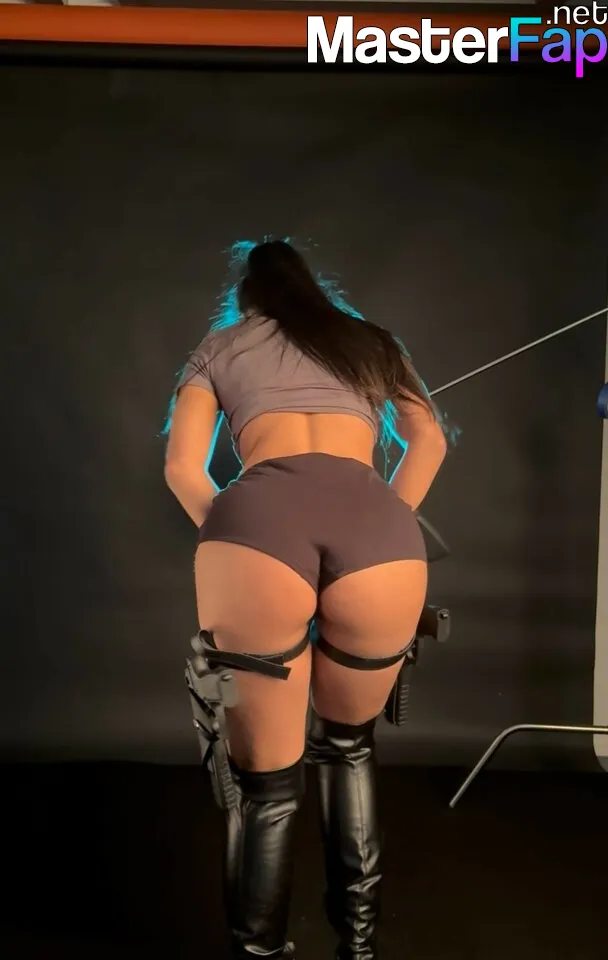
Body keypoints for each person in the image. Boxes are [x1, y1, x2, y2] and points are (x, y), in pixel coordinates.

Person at [164, 240, 449, 960]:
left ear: (248, 296)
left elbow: (183, 467)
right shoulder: (369, 341)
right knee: (349, 748)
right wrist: (385, 518)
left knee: (265, 789)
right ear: (314, 289)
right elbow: (428, 440)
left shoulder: (220, 345)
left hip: (256, 529)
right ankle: (358, 950)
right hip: (378, 532)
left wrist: (239, 530)